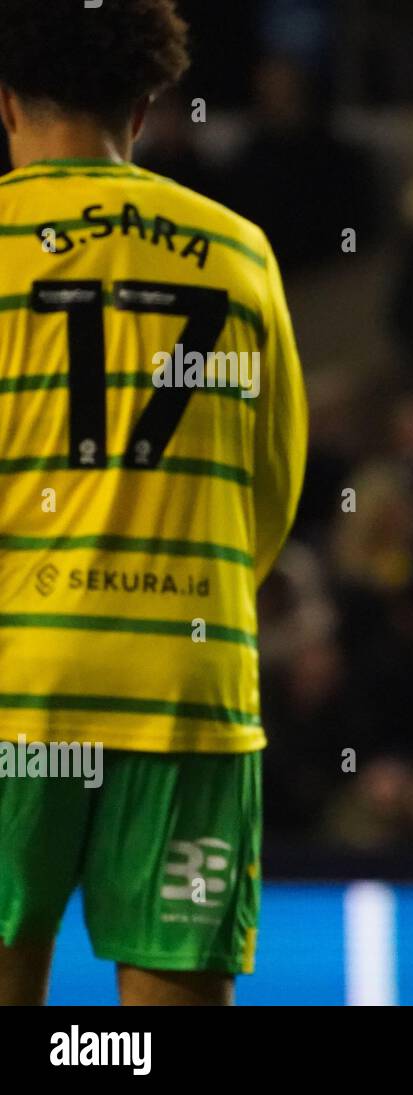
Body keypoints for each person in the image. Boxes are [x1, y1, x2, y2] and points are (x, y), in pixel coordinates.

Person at [0, 0, 307, 1005]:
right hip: (188, 684)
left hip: (19, 695)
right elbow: (271, 495)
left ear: (6, 102)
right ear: (143, 108)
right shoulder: (240, 251)